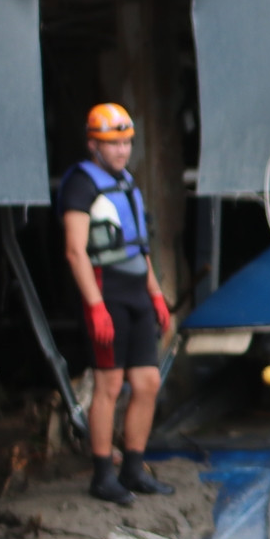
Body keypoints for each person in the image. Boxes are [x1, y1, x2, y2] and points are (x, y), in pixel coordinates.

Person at [61, 102, 173, 505]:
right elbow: (76, 251)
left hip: (136, 292)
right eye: (114, 144)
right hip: (104, 292)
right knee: (108, 384)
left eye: (126, 143)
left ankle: (134, 469)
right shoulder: (81, 184)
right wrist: (94, 305)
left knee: (147, 382)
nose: (122, 151)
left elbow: (137, 246)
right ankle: (103, 474)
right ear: (94, 145)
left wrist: (156, 293)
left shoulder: (127, 182)